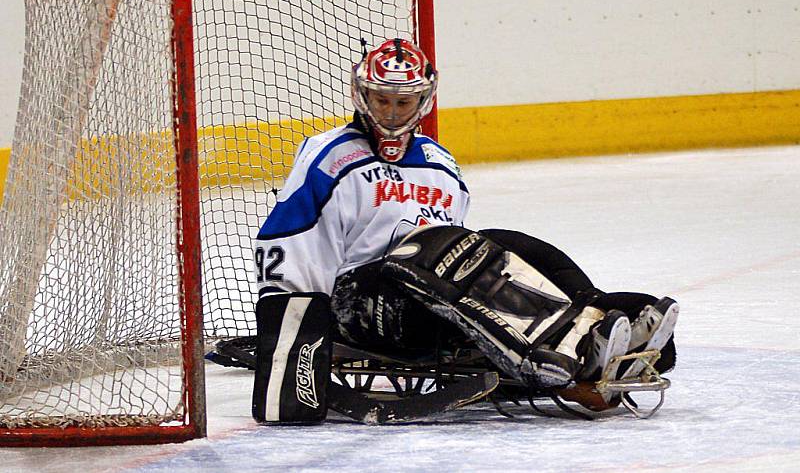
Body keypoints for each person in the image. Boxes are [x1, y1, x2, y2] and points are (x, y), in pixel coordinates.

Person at [250, 38, 679, 424]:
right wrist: (298, 332)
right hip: (358, 306)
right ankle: (553, 357)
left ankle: (599, 319)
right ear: (362, 98)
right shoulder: (330, 156)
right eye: (383, 101)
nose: (393, 113)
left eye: (405, 103)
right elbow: (288, 237)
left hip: (429, 301)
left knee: (506, 243)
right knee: (432, 249)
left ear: (424, 102)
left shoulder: (440, 163)